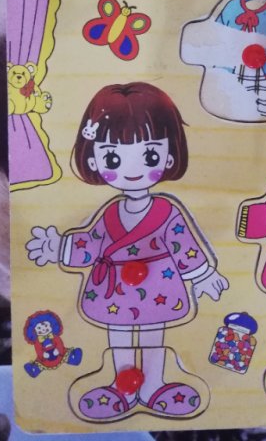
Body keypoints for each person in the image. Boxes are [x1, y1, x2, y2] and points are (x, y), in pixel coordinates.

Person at [26, 82, 228, 420]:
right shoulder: (109, 214)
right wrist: (58, 247)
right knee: (118, 338)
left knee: (153, 337)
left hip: (157, 289)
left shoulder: (167, 212)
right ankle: (122, 388)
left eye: (149, 155)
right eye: (113, 157)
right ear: (93, 158)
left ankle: (153, 386)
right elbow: (90, 243)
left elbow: (184, 246)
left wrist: (203, 275)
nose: (132, 170)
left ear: (170, 154)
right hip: (114, 291)